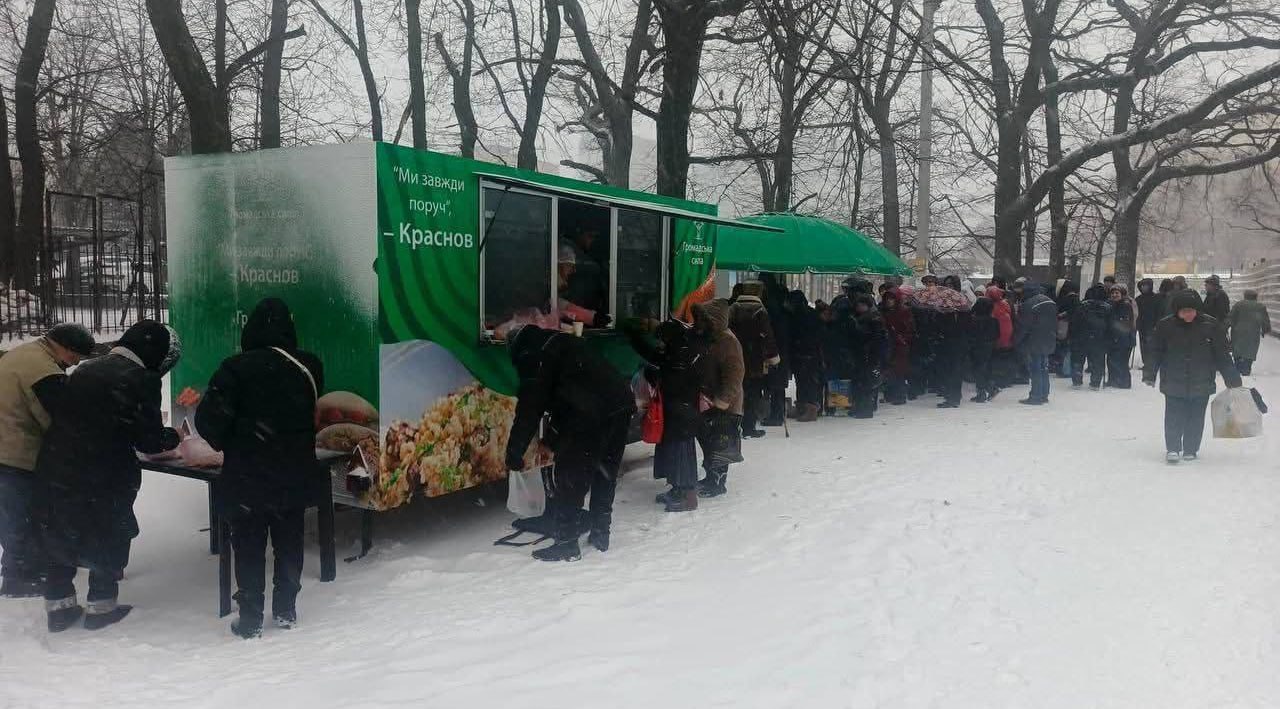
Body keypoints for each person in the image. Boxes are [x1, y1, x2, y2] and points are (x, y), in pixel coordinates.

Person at [38, 320, 180, 632]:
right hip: (104, 472)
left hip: (60, 464)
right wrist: (174, 437)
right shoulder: (141, 379)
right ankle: (101, 607)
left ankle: (59, 606)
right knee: (108, 531)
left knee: (65, 529)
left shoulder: (86, 369)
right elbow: (148, 440)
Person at [195, 298, 325, 638]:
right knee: (289, 539)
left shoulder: (234, 368)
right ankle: (286, 609)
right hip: (294, 473)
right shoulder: (309, 365)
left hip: (248, 476)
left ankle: (250, 618)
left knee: (249, 544)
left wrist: (232, 442)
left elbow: (209, 423)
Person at [504, 323, 635, 562]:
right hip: (620, 404)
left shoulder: (532, 356)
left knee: (571, 475)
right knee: (604, 472)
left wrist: (514, 451)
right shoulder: (562, 343)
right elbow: (566, 400)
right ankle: (600, 532)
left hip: (591, 411)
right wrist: (551, 440)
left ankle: (566, 543)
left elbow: (530, 408)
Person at [0, 324, 94, 598]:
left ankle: (26, 569)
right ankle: (18, 578)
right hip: (14, 452)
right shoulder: (43, 370)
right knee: (21, 515)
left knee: (17, 514)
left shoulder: (25, 354)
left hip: (7, 446)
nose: (76, 363)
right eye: (76, 356)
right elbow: (60, 416)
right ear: (64, 347)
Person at [1143, 289, 1242, 463]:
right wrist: (1150, 372)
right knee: (1173, 416)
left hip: (1201, 380)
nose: (1188, 314)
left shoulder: (1211, 326)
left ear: (1198, 310)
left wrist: (1232, 377)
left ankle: (1191, 448)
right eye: (1184, 311)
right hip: (1174, 378)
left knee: (1195, 417)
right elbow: (1155, 351)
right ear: (1177, 311)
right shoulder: (1165, 326)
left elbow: (1222, 355)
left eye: (1191, 311)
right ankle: (1173, 448)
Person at [628, 320, 703, 513]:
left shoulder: (680, 355)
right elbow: (655, 357)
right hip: (679, 411)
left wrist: (653, 374)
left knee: (682, 453)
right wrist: (634, 337)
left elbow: (670, 379)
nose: (660, 345)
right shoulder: (680, 349)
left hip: (682, 413)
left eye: (662, 341)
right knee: (673, 451)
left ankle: (688, 497)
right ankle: (677, 489)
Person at [691, 299, 745, 498]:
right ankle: (711, 476)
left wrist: (720, 405)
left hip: (725, 406)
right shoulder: (712, 338)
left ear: (713, 321)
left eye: (702, 319)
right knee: (708, 441)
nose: (697, 323)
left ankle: (717, 481)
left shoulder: (727, 342)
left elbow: (734, 378)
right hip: (710, 401)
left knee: (720, 443)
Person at [728, 281, 781, 438]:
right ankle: (749, 426)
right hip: (754, 359)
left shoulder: (733, 309)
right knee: (752, 393)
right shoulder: (760, 311)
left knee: (735, 391)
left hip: (735, 355)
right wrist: (774, 358)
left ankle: (732, 425)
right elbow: (767, 336)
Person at [1012, 282, 1058, 405]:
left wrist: (1016, 341)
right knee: (1044, 367)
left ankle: (1036, 395)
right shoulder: (1050, 301)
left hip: (1034, 340)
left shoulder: (1028, 304)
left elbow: (1024, 326)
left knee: (1035, 368)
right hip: (1048, 338)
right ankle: (1044, 394)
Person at [759, 273, 791, 427]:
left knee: (775, 384)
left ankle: (776, 415)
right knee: (777, 385)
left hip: (775, 347)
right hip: (782, 347)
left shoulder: (770, 305)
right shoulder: (780, 303)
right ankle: (777, 413)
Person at [787, 290, 824, 421]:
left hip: (805, 353)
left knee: (806, 382)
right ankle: (805, 407)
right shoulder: (812, 314)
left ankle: (809, 408)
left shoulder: (798, 316)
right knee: (805, 382)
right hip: (808, 353)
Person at [848, 294, 887, 418]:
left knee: (866, 383)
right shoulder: (858, 318)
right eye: (858, 305)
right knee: (860, 382)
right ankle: (859, 407)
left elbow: (877, 339)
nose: (860, 307)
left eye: (863, 305)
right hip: (860, 354)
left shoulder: (874, 319)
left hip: (869, 355)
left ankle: (865, 409)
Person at [556, 243, 610, 328]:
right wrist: (591, 318)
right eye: (570, 266)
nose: (574, 271)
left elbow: (563, 307)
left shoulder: (563, 292)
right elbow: (558, 305)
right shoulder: (543, 292)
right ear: (557, 266)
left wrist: (592, 317)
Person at [1070, 285, 1112, 390]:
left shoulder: (1082, 306)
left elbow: (1074, 322)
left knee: (1078, 360)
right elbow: (1111, 325)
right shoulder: (1108, 307)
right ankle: (1095, 382)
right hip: (1099, 338)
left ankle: (1077, 380)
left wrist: (1073, 336)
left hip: (1081, 337)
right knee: (1097, 361)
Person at [880, 287, 915, 406]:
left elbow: (910, 329)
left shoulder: (904, 312)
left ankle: (899, 396)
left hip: (900, 345)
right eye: (887, 299)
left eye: (892, 299)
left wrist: (902, 338)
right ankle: (890, 395)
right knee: (889, 371)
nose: (889, 301)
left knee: (898, 371)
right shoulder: (884, 311)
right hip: (888, 344)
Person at [1227, 289, 1271, 376]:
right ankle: (1246, 369)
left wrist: (1225, 327)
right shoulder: (1260, 307)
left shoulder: (1239, 305)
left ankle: (1238, 368)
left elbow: (1230, 318)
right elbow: (1265, 320)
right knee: (1249, 352)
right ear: (1255, 297)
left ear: (1245, 296)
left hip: (1238, 333)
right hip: (1253, 334)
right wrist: (1265, 329)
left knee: (1238, 352)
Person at [969, 295, 1001, 403]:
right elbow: (997, 334)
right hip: (990, 347)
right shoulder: (994, 320)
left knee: (978, 370)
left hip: (977, 347)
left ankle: (982, 392)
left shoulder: (973, 320)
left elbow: (971, 335)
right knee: (986, 369)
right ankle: (991, 387)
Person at [1106, 285, 1136, 388]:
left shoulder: (1125, 305)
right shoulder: (1112, 304)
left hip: (1123, 339)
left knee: (1121, 361)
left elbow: (1124, 323)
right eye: (1113, 293)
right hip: (1115, 338)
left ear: (1122, 294)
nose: (1114, 295)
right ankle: (1113, 380)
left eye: (1117, 293)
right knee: (1112, 360)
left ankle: (1123, 382)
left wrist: (1116, 333)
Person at [986, 285, 1014, 388]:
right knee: (1005, 359)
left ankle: (998, 380)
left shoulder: (991, 307)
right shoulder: (1005, 305)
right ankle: (1006, 379)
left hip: (997, 337)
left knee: (996, 360)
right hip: (1008, 336)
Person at [1055, 280, 1080, 379]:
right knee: (1068, 349)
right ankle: (1066, 369)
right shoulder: (1075, 299)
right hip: (1071, 327)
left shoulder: (1064, 299)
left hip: (1063, 326)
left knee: (1064, 348)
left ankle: (1063, 369)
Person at [1135, 278, 1163, 366]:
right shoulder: (1138, 299)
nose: (1144, 288)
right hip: (1142, 326)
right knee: (1143, 346)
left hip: (1153, 325)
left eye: (1146, 286)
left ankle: (1152, 363)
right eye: (1142, 286)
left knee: (1152, 345)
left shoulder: (1156, 298)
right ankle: (1146, 363)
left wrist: (1157, 324)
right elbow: (1136, 313)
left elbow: (1159, 312)